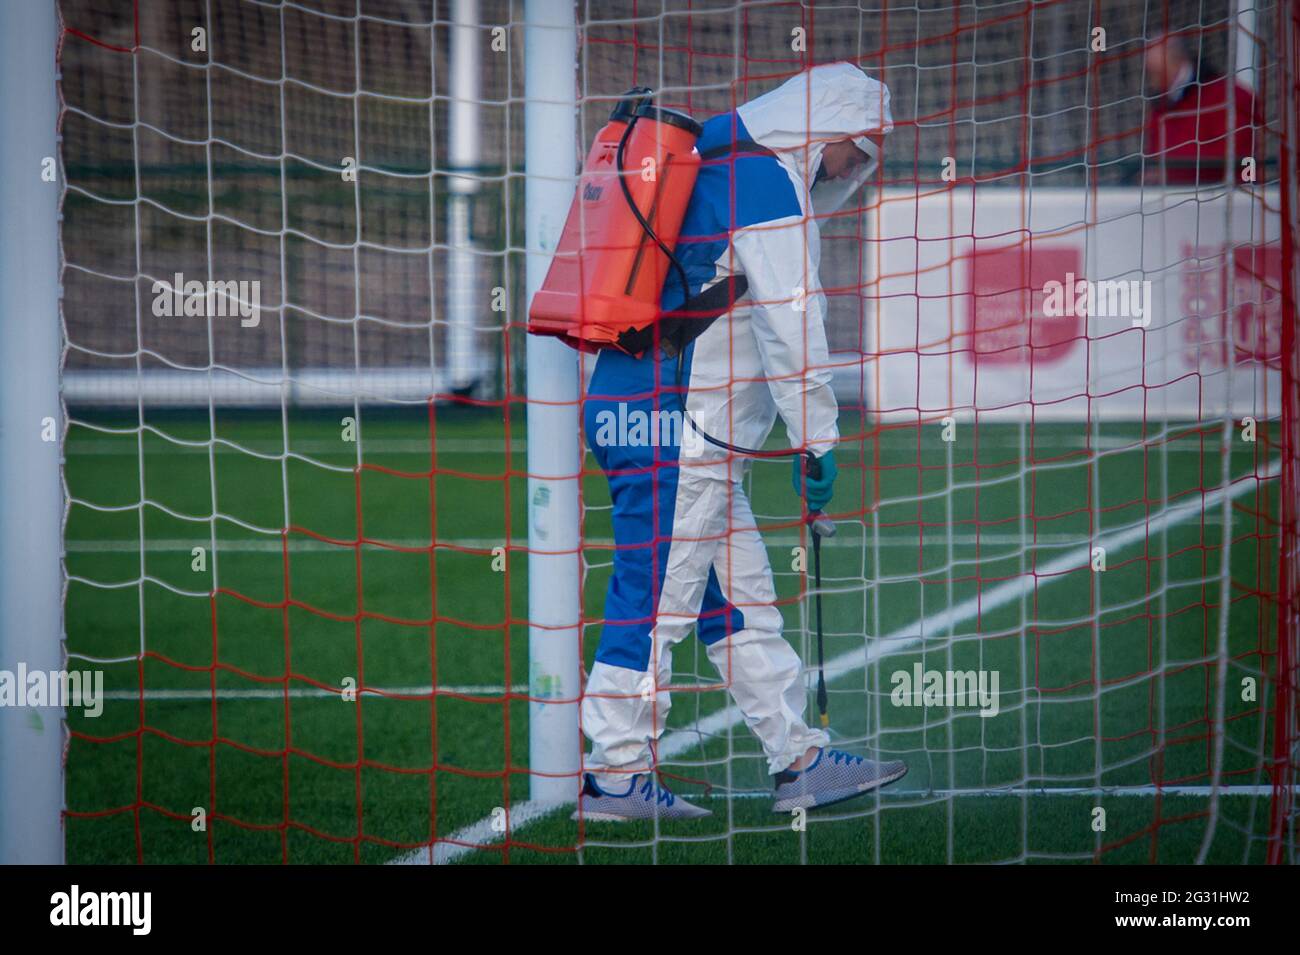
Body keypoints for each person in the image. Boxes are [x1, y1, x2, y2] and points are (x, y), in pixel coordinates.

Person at [576, 62, 907, 821]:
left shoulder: (718, 159)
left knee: (741, 601)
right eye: (856, 151)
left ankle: (797, 756)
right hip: (677, 430)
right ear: (827, 129)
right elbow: (791, 323)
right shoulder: (763, 180)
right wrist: (817, 441)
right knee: (656, 595)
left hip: (663, 420)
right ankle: (615, 774)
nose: (856, 168)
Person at [1143, 31, 1259, 186]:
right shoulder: (1160, 107)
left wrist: (1170, 173)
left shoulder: (1230, 96)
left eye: (1157, 73)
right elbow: (1155, 158)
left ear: (1177, 62)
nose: (1153, 82)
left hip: (1229, 197)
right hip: (1174, 197)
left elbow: (1233, 154)